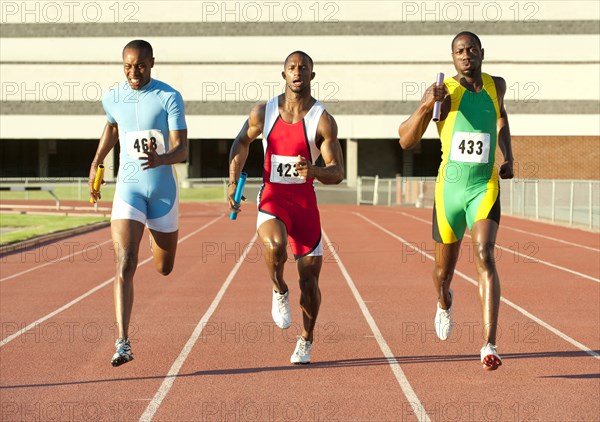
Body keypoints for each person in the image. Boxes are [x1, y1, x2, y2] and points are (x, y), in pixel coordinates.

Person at [398, 32, 514, 370]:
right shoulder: (445, 93)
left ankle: (489, 344)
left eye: (471, 49)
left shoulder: (497, 85)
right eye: (459, 51)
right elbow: (406, 140)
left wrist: (508, 156)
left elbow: (501, 117)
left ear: (481, 53)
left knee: (484, 255)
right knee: (442, 273)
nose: (466, 55)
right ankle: (444, 301)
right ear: (452, 58)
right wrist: (423, 105)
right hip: (449, 192)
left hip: (483, 187)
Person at [228, 51, 344, 364]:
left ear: (311, 76)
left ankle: (306, 339)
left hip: (305, 205)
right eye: (291, 68)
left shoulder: (322, 120)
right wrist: (232, 180)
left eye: (303, 68)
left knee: (309, 283)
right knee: (275, 246)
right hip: (273, 197)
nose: (297, 73)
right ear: (283, 75)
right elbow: (241, 142)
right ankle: (279, 289)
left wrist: (316, 170)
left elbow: (338, 171)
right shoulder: (263, 112)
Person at [88, 39, 188, 367]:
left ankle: (155, 239)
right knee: (125, 262)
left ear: (152, 63)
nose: (134, 72)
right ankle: (122, 342)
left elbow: (183, 150)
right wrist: (97, 161)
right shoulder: (112, 97)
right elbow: (113, 125)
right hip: (128, 189)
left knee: (164, 267)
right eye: (128, 66)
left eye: (140, 65)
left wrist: (162, 159)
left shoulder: (169, 97)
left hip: (162, 191)